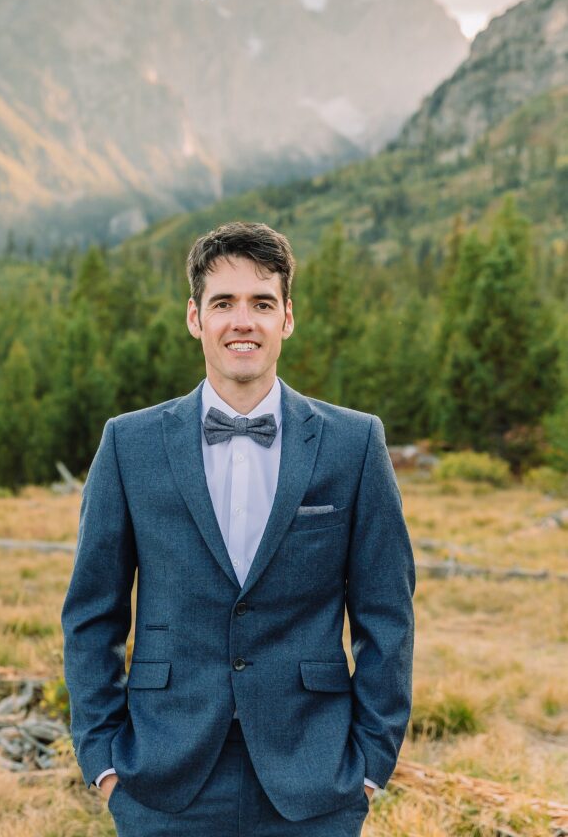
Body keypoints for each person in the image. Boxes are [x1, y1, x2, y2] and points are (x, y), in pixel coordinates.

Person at [61, 221, 416, 837]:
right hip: (161, 777)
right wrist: (103, 759)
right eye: (223, 303)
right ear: (195, 318)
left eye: (262, 303)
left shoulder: (355, 443)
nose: (242, 320)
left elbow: (387, 612)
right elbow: (93, 612)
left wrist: (370, 761)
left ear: (288, 317)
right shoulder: (129, 444)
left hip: (316, 777)